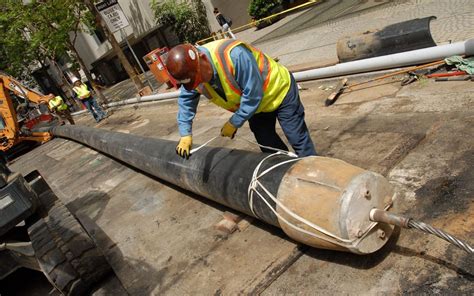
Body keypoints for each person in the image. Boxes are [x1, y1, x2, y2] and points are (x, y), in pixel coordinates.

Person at [166, 40, 316, 159]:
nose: (198, 84)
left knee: (298, 139)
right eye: (194, 83)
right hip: (256, 108)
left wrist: (234, 122)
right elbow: (186, 102)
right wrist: (185, 134)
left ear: (203, 59)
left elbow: (253, 95)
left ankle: (318, 179)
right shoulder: (194, 75)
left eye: (198, 79)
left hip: (279, 90)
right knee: (269, 147)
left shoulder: (233, 55)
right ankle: (285, 175)